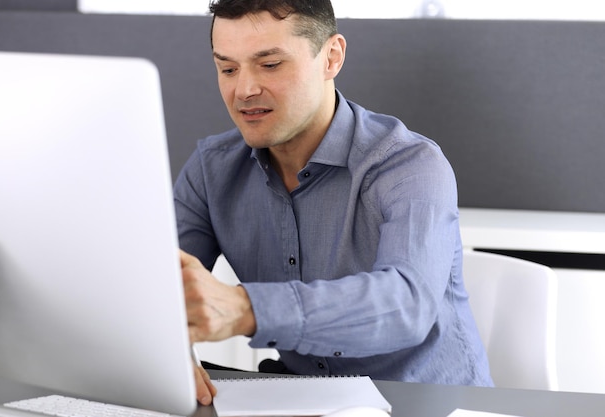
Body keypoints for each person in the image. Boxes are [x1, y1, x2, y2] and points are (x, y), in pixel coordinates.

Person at [174, 0, 493, 405]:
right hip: (303, 401)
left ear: (331, 57)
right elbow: (158, 289)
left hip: (428, 405)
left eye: (270, 65)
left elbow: (405, 305)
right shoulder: (211, 169)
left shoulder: (409, 164)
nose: (244, 89)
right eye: (228, 68)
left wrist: (246, 308)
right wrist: (168, 349)